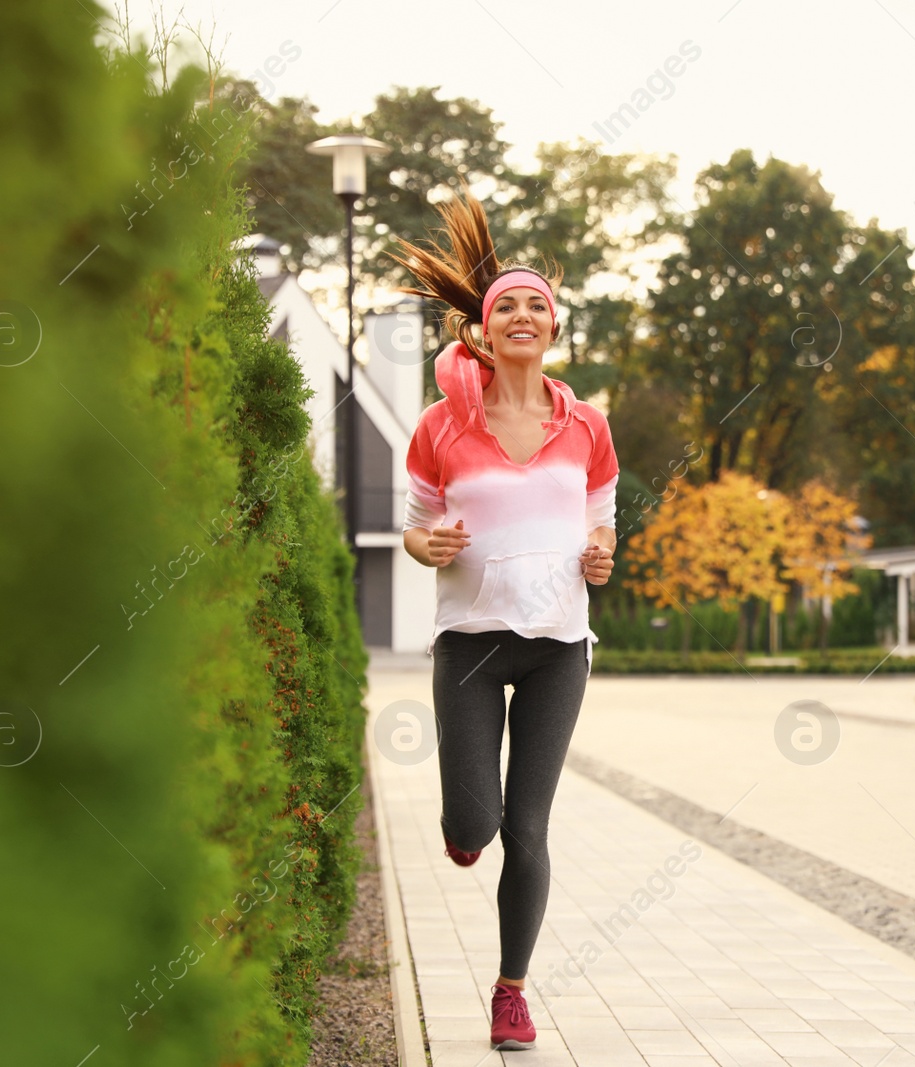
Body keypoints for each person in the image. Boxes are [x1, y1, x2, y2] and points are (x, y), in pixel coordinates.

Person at [392, 190, 619, 1052]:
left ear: (552, 329)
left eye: (537, 304)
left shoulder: (586, 424)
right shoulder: (441, 425)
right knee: (473, 827)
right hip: (471, 646)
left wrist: (600, 555)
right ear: (484, 331)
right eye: (506, 305)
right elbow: (412, 527)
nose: (522, 313)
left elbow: (600, 520)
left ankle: (511, 990)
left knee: (528, 830)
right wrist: (431, 542)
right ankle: (462, 830)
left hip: (561, 644)